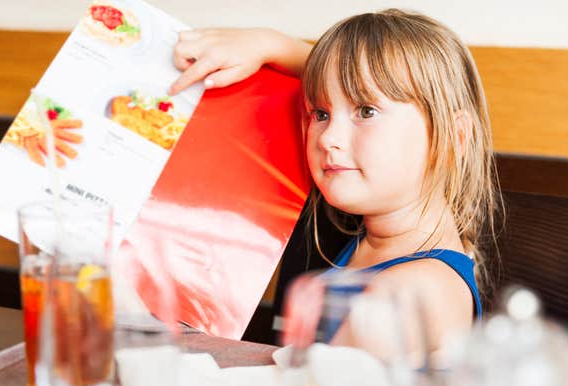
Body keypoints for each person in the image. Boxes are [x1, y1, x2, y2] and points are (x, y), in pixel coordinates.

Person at [169, 9, 501, 354]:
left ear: (453, 139)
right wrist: (269, 44)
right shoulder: (369, 235)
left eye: (366, 112)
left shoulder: (411, 294)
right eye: (321, 114)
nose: (328, 138)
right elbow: (340, 78)